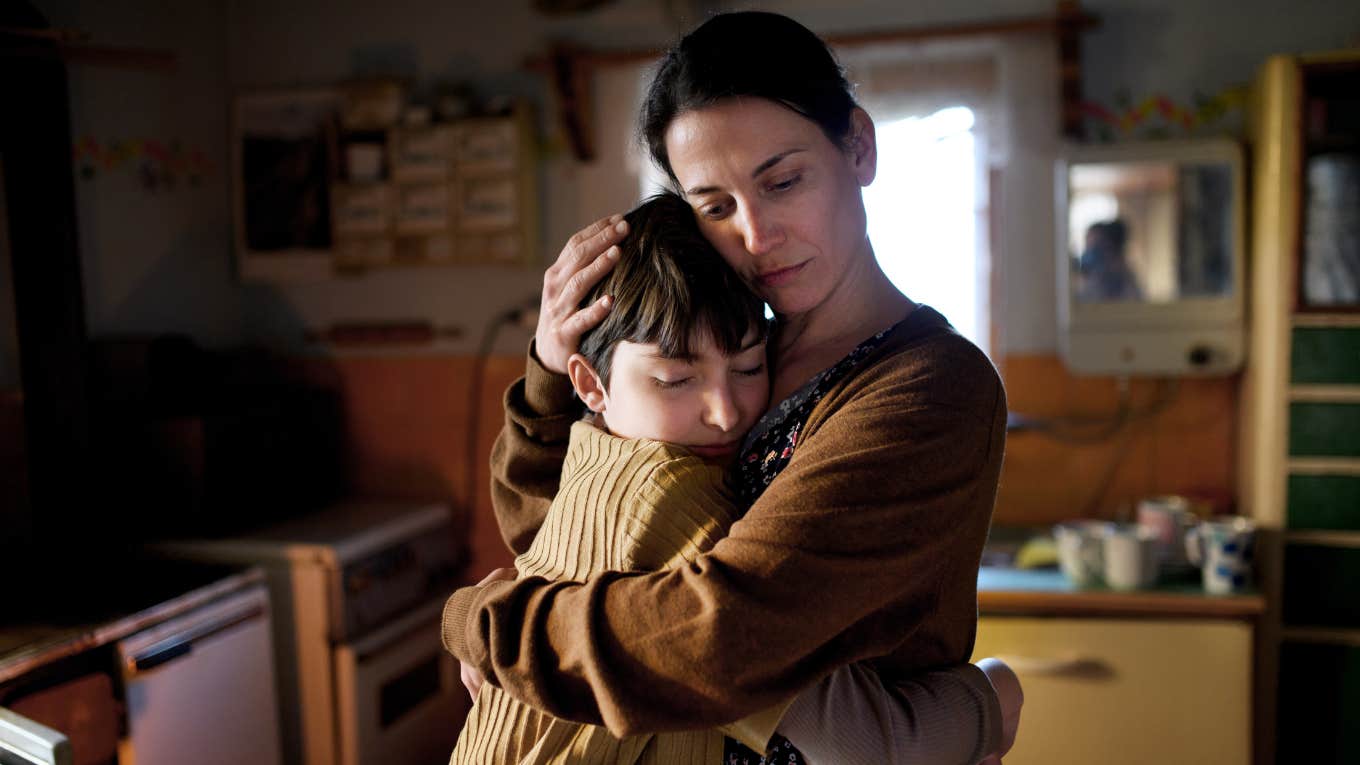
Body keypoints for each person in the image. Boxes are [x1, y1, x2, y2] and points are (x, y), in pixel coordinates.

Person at [443, 11, 1018, 764]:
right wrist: (554, 373)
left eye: (783, 180)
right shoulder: (740, 353)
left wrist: (484, 625)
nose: (755, 233)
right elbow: (574, 537)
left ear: (859, 146)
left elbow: (721, 640)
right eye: (714, 205)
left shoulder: (928, 388)